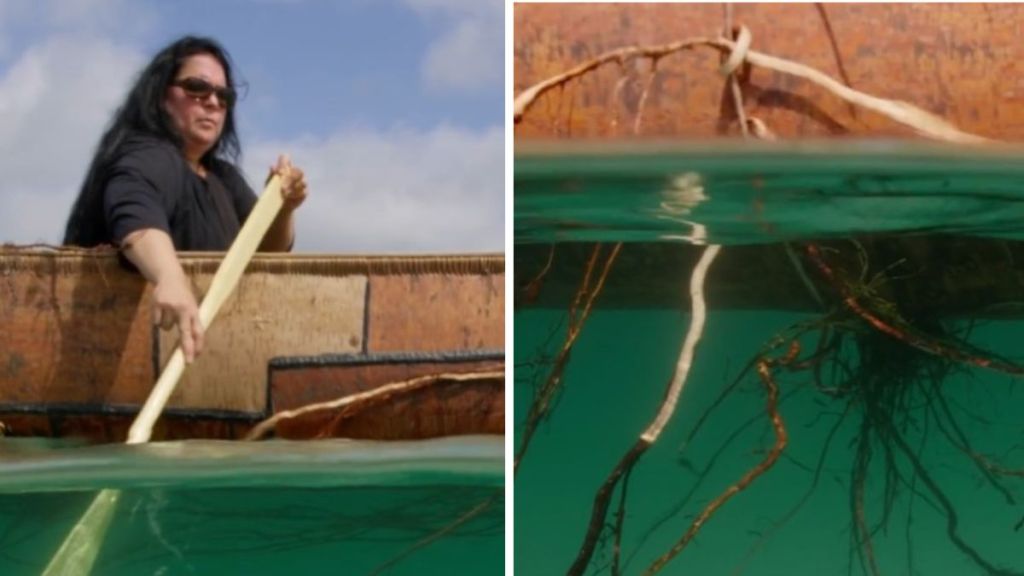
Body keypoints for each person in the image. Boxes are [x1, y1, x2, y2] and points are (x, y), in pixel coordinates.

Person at [63, 36, 307, 363]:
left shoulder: (224, 178)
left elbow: (267, 253)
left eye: (224, 96)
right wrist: (169, 277)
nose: (212, 102)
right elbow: (136, 216)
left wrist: (281, 207)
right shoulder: (148, 156)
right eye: (196, 88)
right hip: (131, 357)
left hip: (212, 359)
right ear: (162, 95)